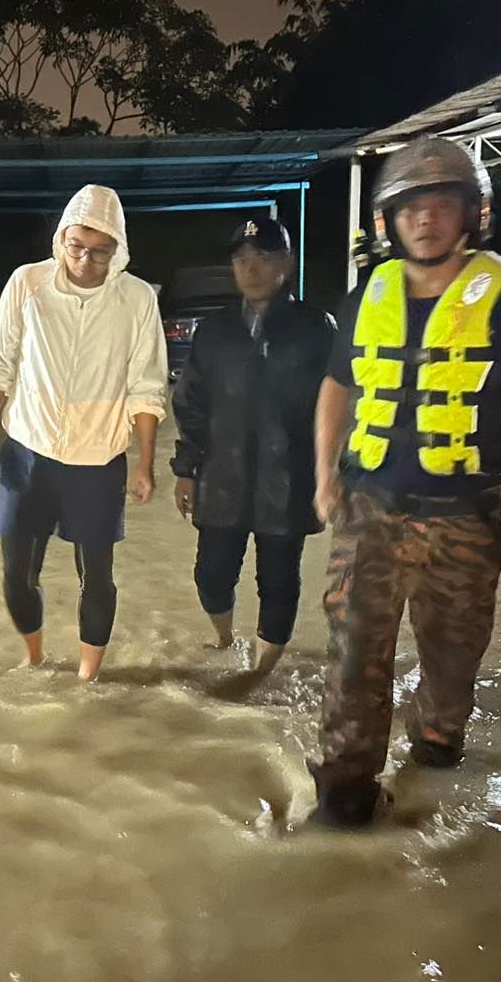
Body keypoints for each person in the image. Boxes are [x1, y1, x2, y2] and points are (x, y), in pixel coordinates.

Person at [309, 136, 501, 827]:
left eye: (442, 203)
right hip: (370, 507)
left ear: (472, 213)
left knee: (453, 654)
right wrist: (323, 475)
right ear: (389, 220)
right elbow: (337, 386)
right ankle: (345, 796)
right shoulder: (368, 294)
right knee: (353, 654)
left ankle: (436, 745)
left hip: (466, 514)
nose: (426, 218)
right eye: (411, 207)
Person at [0, 184, 168, 682]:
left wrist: (145, 463)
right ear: (61, 238)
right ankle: (35, 658)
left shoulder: (137, 299)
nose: (85, 260)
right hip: (27, 451)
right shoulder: (28, 283)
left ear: (117, 249)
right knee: (16, 574)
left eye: (100, 251)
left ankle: (88, 682)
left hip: (97, 460)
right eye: (76, 246)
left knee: (97, 578)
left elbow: (146, 386)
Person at [171, 218, 335, 673]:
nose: (251, 268)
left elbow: (339, 404)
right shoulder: (215, 330)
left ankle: (262, 673)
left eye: (263, 257)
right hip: (222, 477)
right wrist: (185, 470)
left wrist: (333, 473)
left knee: (279, 583)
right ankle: (224, 640)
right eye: (242, 260)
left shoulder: (316, 327)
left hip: (288, 480)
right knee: (211, 576)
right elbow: (190, 402)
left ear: (287, 264)